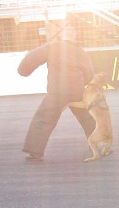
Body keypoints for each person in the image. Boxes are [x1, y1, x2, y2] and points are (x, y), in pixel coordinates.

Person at [18, 26, 96, 161]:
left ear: (62, 36)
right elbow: (89, 73)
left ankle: (35, 152)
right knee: (88, 119)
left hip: (57, 93)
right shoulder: (80, 52)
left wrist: (23, 71)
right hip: (77, 92)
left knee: (43, 119)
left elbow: (32, 58)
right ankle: (100, 146)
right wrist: (82, 84)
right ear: (75, 37)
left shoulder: (52, 47)